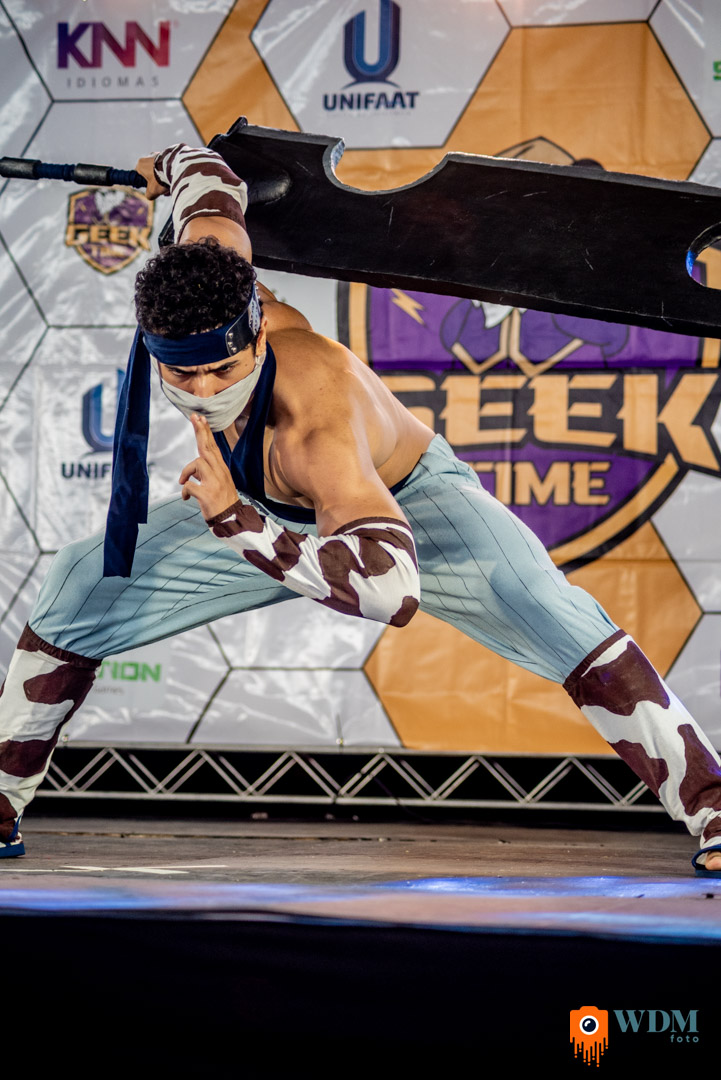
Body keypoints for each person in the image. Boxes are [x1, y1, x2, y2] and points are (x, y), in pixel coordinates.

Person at [1, 143, 721, 877]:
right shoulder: (210, 271)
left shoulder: (313, 425)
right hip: (259, 503)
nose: (206, 388)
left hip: (409, 511)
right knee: (78, 587)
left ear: (256, 331)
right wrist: (173, 165)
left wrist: (234, 521)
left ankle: (714, 805)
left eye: (224, 368)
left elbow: (389, 589)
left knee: (554, 614)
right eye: (184, 373)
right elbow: (211, 183)